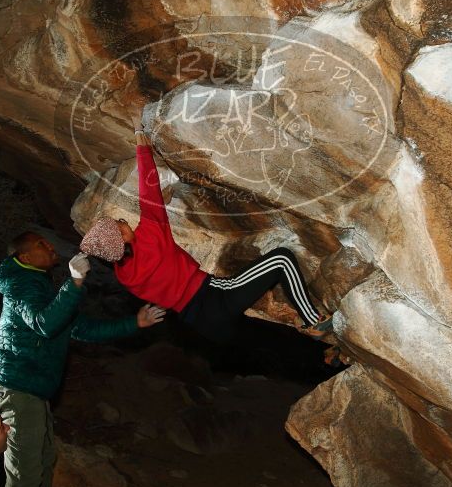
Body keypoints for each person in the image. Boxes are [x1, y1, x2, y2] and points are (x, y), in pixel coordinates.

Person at [80, 109, 334, 344]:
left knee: (267, 326)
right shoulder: (150, 236)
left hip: (202, 326)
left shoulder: (125, 276)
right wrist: (139, 135)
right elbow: (149, 188)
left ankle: (329, 347)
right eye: (120, 225)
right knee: (282, 261)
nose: (125, 222)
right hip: (214, 298)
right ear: (120, 240)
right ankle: (313, 322)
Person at [0, 231, 165, 487]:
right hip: (16, 389)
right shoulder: (21, 283)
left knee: (43, 463)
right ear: (25, 256)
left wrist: (134, 323)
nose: (49, 245)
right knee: (25, 474)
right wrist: (75, 282)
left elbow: (79, 328)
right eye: (40, 244)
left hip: (30, 389)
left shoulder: (38, 283)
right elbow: (44, 325)